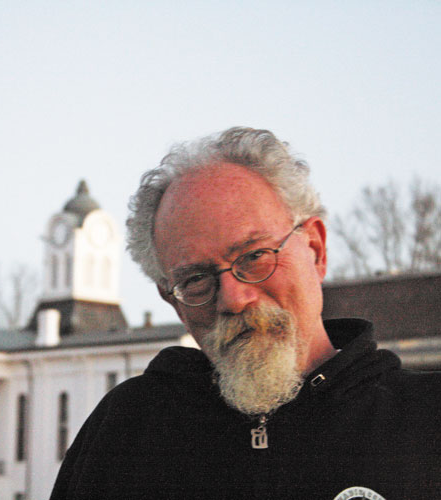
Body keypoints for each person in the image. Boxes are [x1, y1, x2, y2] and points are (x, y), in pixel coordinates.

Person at [50, 127, 441, 499]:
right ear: (173, 302)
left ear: (316, 250)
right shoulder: (126, 434)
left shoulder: (425, 424)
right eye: (197, 279)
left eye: (254, 256)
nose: (233, 299)